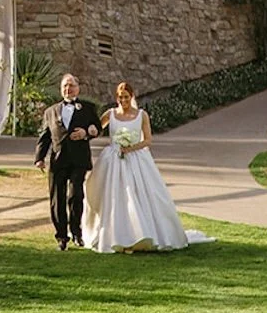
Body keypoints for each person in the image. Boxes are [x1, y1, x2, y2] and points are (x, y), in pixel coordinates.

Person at [83, 81, 202, 253]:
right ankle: (114, 235)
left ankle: (142, 233)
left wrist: (131, 148)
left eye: (126, 97)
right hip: (113, 158)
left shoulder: (141, 115)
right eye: (120, 97)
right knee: (114, 195)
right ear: (116, 98)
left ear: (131, 97)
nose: (123, 100)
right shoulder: (110, 114)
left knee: (138, 194)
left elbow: (147, 140)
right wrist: (90, 131)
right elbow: (97, 129)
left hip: (136, 157)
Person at [32, 73, 98, 250]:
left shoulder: (88, 108)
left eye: (71, 85)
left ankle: (76, 232)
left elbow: (97, 127)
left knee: (75, 195)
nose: (68, 89)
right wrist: (39, 158)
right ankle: (61, 236)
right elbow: (45, 136)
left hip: (79, 159)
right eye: (64, 87)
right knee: (57, 198)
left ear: (78, 88)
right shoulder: (50, 111)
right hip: (58, 160)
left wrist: (87, 132)